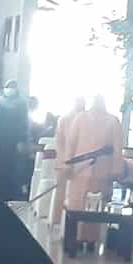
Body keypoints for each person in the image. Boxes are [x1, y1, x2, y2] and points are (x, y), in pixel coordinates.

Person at [63, 95, 124, 244]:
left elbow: (117, 150)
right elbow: (71, 143)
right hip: (88, 171)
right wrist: (68, 164)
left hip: (91, 172)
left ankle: (84, 239)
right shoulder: (109, 120)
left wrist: (116, 171)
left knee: (90, 207)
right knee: (85, 206)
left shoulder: (109, 120)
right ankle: (83, 239)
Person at [0, 79, 30, 201]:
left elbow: (23, 123)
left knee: (12, 169)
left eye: (13, 86)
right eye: (9, 86)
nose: (11, 88)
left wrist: (22, 140)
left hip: (14, 142)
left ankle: (10, 196)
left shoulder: (21, 103)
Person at [52, 96, 86, 225]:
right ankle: (57, 220)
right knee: (61, 194)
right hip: (66, 163)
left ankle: (71, 224)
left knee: (75, 196)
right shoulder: (65, 119)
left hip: (79, 164)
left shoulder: (85, 120)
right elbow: (59, 142)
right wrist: (66, 161)